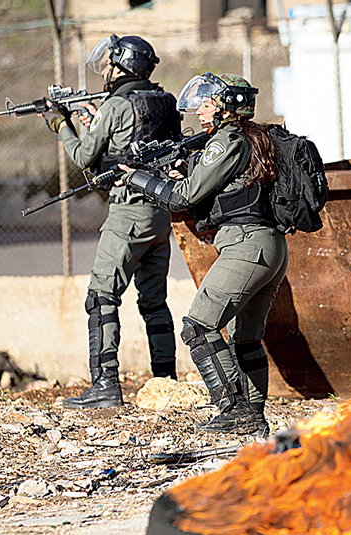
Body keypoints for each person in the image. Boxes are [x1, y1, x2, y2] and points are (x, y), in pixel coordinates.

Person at [119, 72, 286, 437]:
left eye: (207, 104)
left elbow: (183, 198)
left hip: (246, 247)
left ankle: (235, 410)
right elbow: (219, 191)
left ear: (225, 106)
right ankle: (252, 420)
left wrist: (140, 180)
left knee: (199, 326)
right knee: (245, 339)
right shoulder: (254, 137)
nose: (200, 111)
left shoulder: (226, 140)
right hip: (268, 247)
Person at [46, 35, 183, 408]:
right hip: (159, 213)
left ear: (123, 65)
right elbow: (136, 144)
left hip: (127, 215)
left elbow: (85, 156)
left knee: (101, 297)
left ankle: (105, 386)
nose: (105, 70)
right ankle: (166, 382)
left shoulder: (116, 104)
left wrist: (62, 125)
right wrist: (95, 120)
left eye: (110, 63)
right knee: (154, 302)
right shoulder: (165, 101)